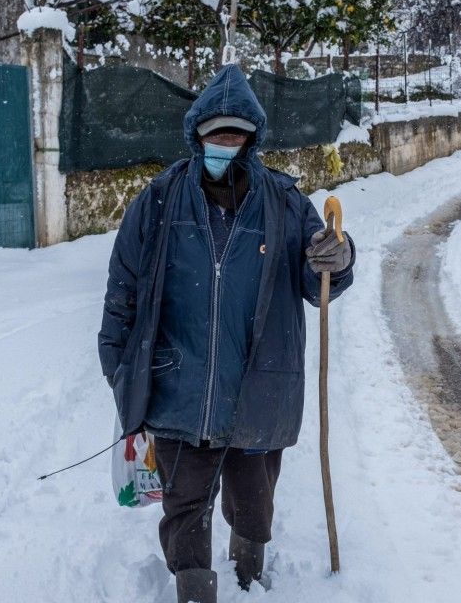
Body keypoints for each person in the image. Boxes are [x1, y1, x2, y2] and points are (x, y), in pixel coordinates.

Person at [98, 64, 355, 603]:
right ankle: (195, 589)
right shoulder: (161, 199)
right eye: (217, 133)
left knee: (253, 499)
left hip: (258, 381)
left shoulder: (285, 203)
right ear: (198, 135)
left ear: (252, 138)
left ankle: (249, 572)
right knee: (184, 501)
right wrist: (119, 365)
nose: (226, 143)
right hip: (179, 384)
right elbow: (124, 285)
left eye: (236, 134)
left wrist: (337, 257)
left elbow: (320, 283)